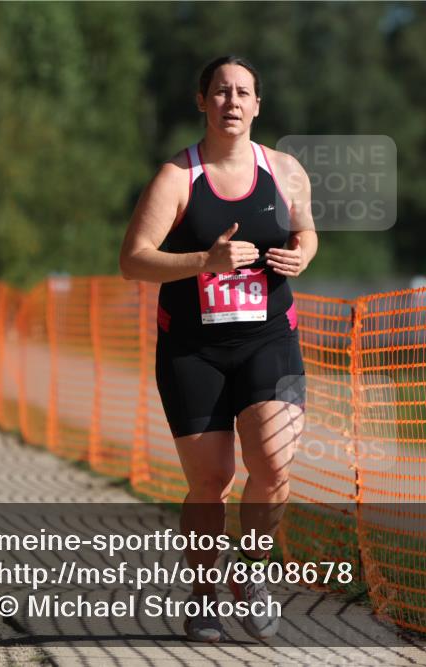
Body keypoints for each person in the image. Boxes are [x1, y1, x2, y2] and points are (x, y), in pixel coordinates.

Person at [119, 56, 317, 643]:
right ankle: (205, 593)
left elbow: (306, 231)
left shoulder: (285, 170)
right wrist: (204, 261)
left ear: (258, 105)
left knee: (274, 466)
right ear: (201, 101)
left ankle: (252, 576)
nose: (232, 101)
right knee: (211, 482)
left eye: (243, 93)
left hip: (268, 338)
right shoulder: (177, 178)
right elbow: (133, 260)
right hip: (192, 349)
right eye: (221, 92)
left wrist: (303, 253)